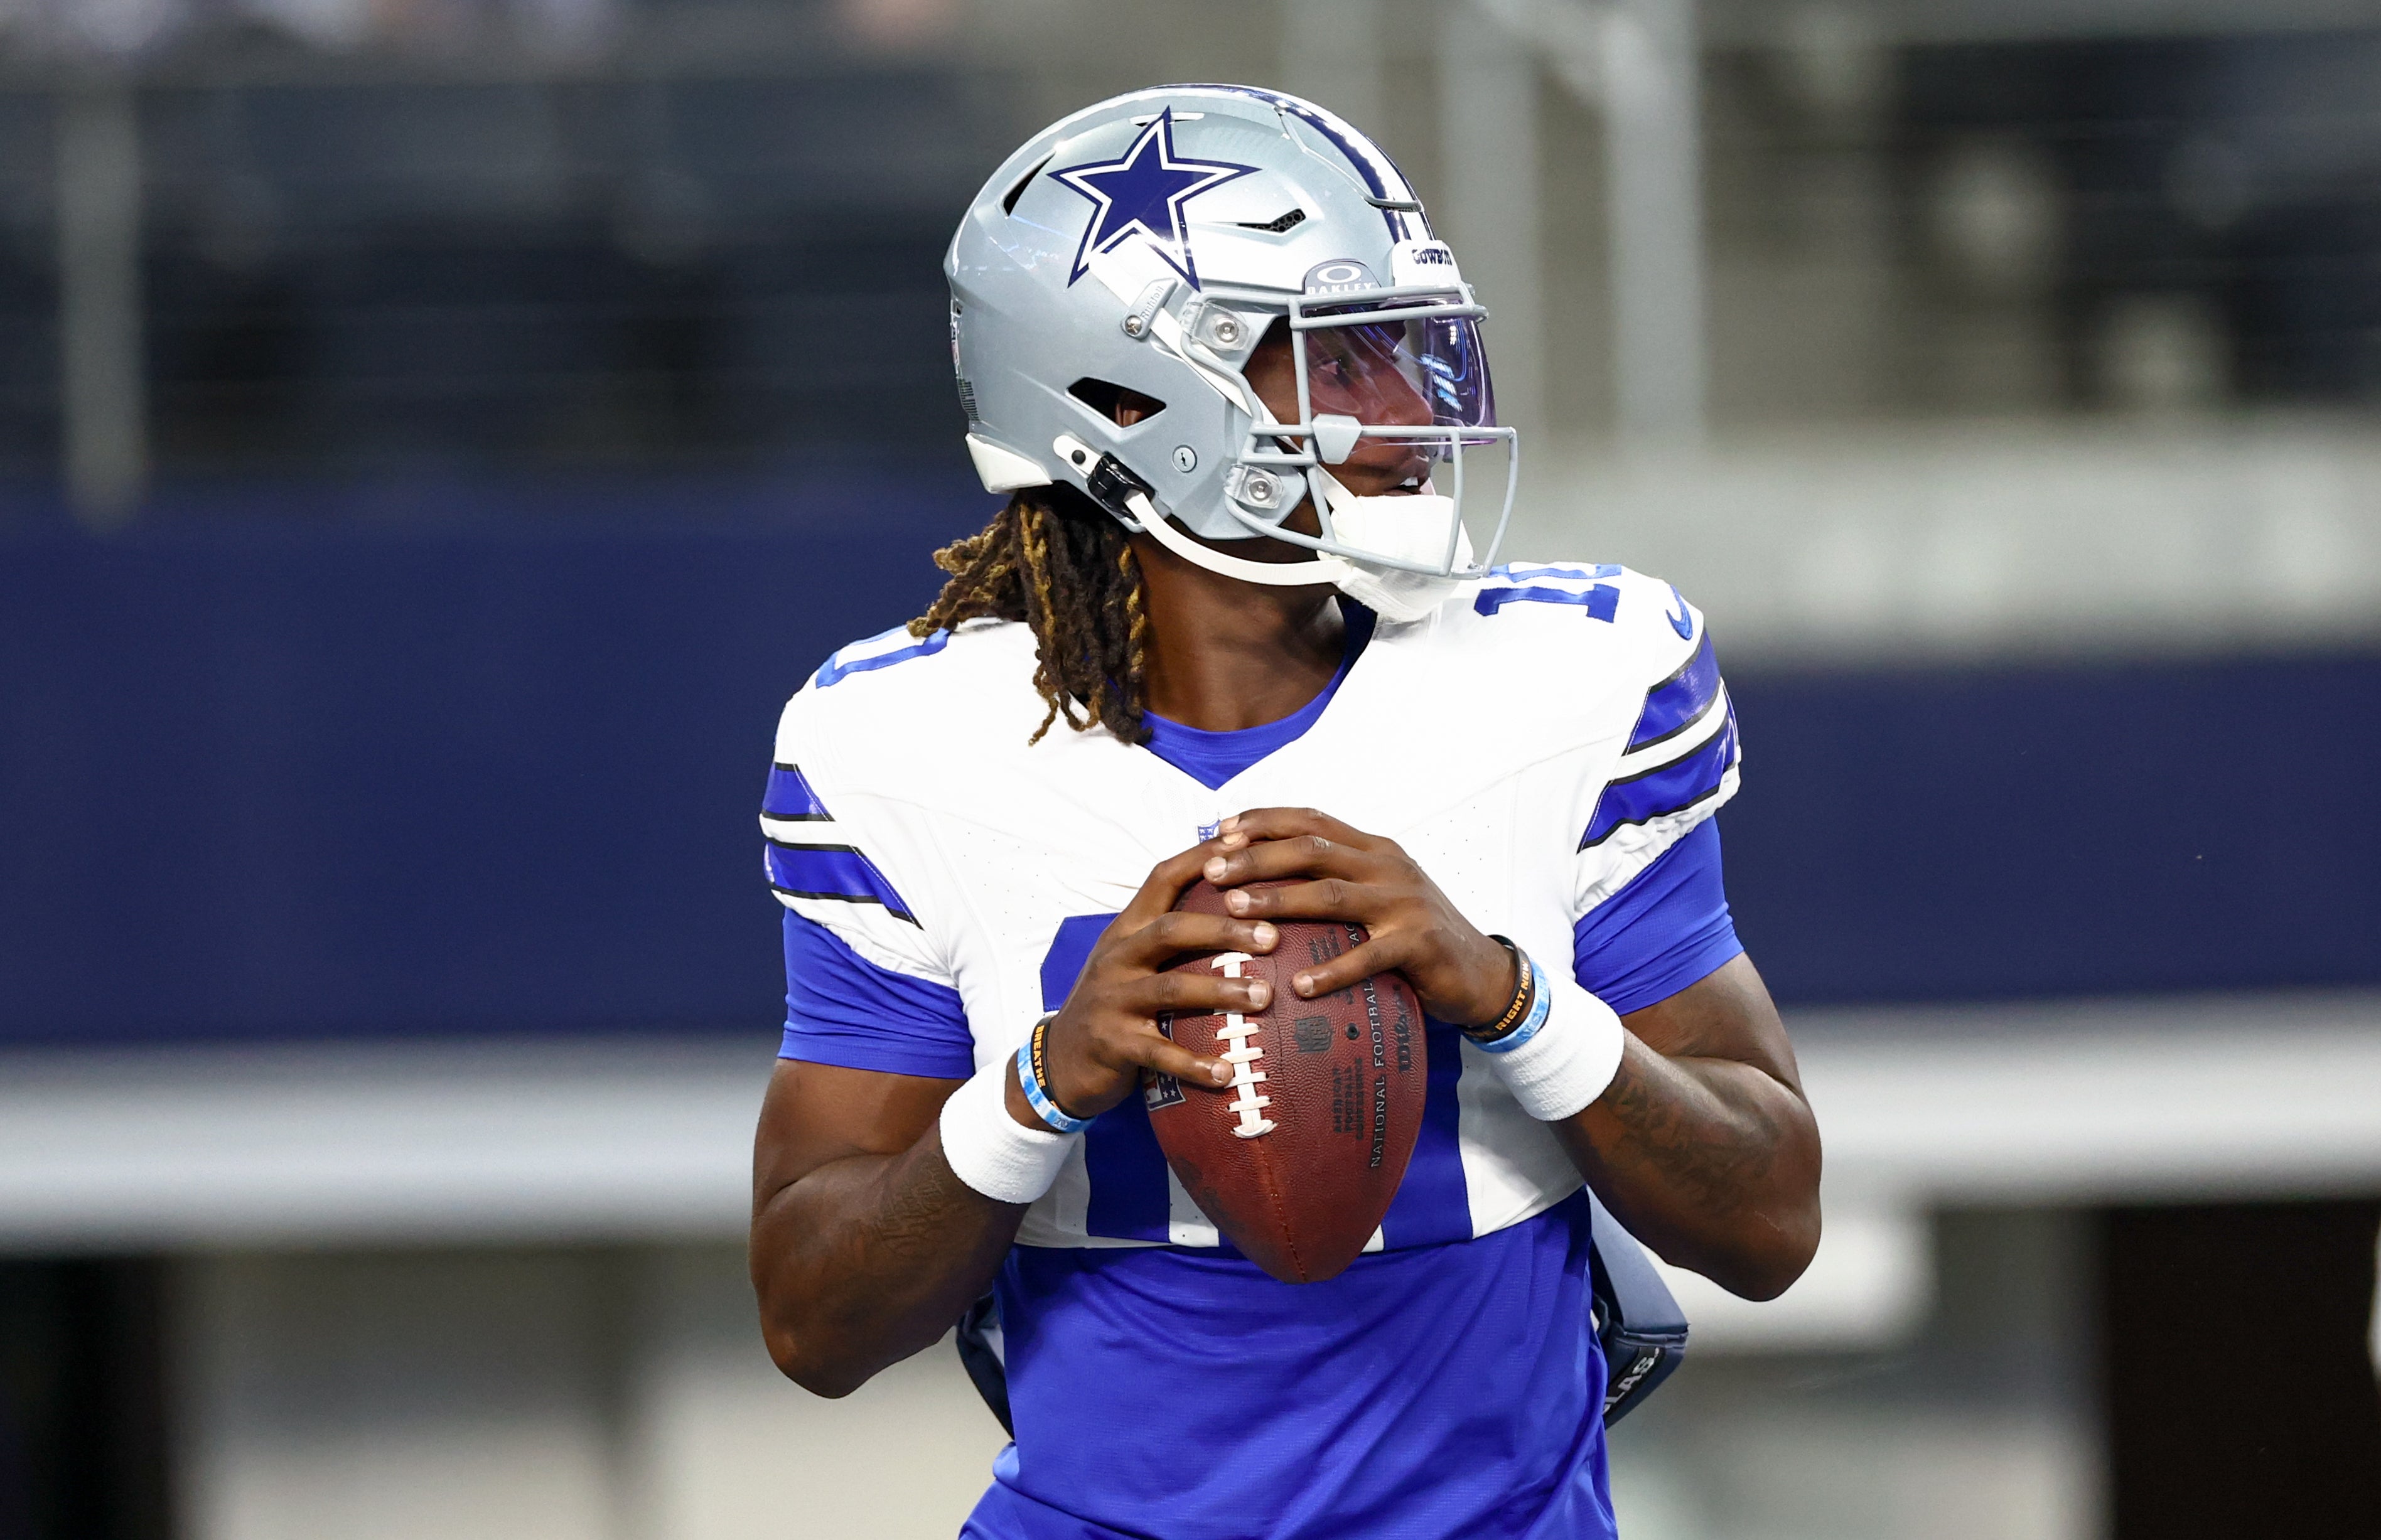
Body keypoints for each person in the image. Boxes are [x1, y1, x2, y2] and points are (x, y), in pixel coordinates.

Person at [749, 85, 1821, 1539]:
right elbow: (815, 1322)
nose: (1410, 409)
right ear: (1126, 405)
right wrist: (1041, 1088)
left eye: (1404, 344)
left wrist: (1515, 1001)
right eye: (1336, 358)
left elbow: (1767, 1225)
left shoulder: (1569, 678)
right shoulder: (908, 741)